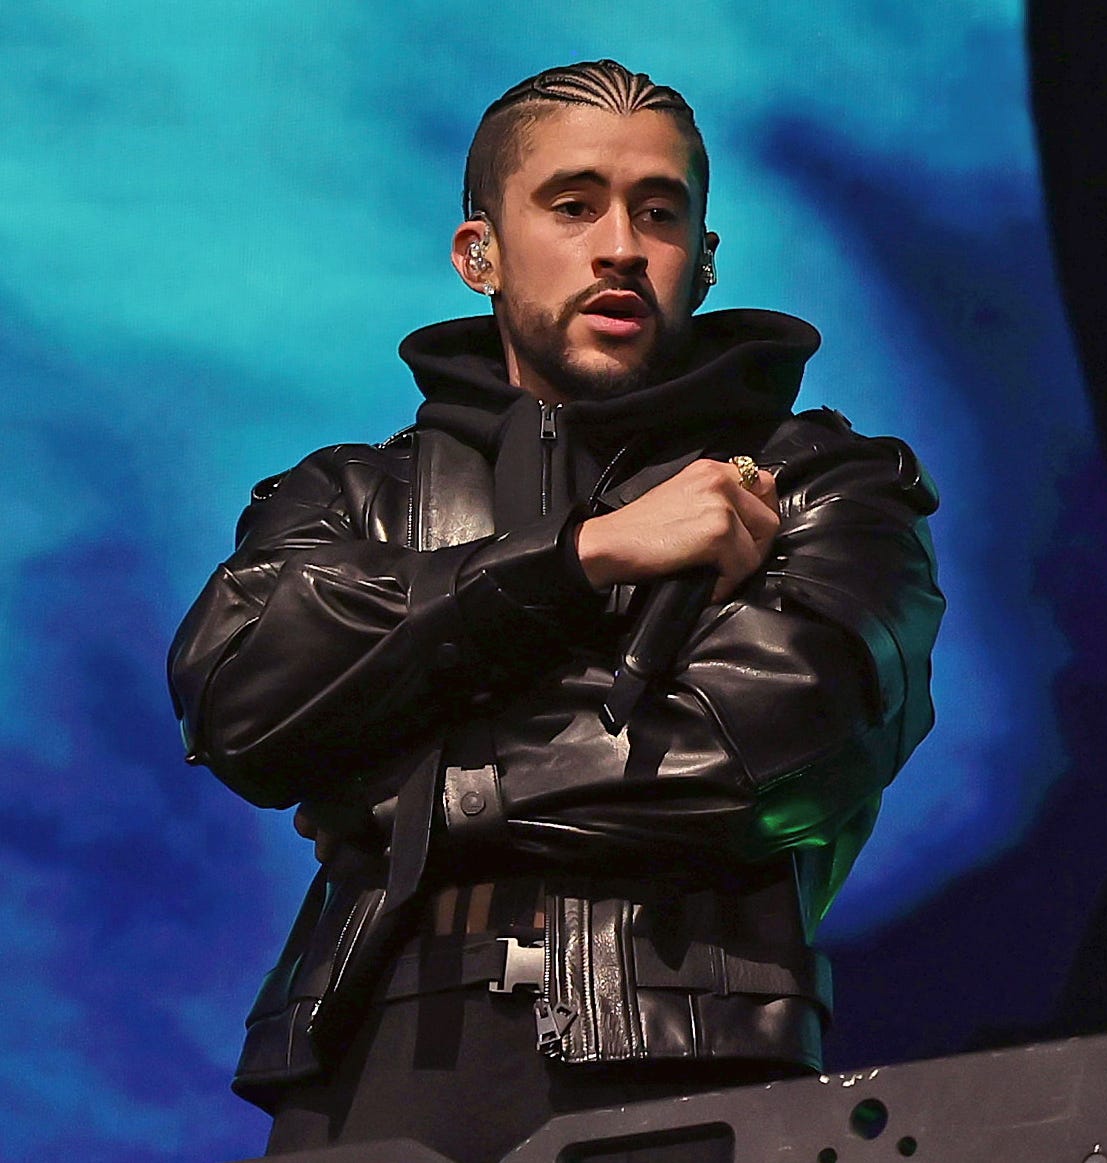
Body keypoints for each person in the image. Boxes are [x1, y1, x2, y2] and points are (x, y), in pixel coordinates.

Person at [168, 59, 944, 1162]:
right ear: (477, 252)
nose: (620, 242)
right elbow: (242, 706)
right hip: (361, 1072)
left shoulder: (818, 483)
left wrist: (391, 766)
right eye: (573, 204)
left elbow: (769, 751)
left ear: (704, 259)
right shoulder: (350, 496)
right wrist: (577, 562)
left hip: (686, 1058)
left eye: (658, 211)